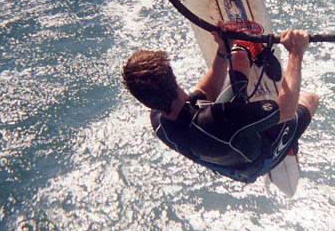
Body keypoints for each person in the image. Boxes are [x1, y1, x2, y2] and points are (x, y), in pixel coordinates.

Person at [121, 25, 319, 183]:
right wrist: (296, 53)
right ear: (173, 77)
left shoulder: (158, 120)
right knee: (310, 99)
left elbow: (205, 91)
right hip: (258, 160)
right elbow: (286, 109)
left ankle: (241, 59)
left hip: (224, 146)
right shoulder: (220, 118)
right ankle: (288, 147)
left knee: (238, 56)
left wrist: (224, 50)